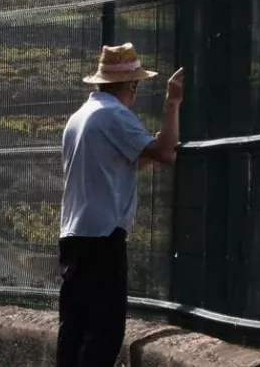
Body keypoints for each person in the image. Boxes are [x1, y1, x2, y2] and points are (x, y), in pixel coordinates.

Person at [56, 44, 184, 367]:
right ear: (131, 86)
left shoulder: (79, 117)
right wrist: (172, 103)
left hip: (73, 234)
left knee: (73, 327)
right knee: (106, 331)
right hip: (103, 237)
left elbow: (118, 164)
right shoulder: (115, 115)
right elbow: (167, 154)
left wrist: (147, 147)